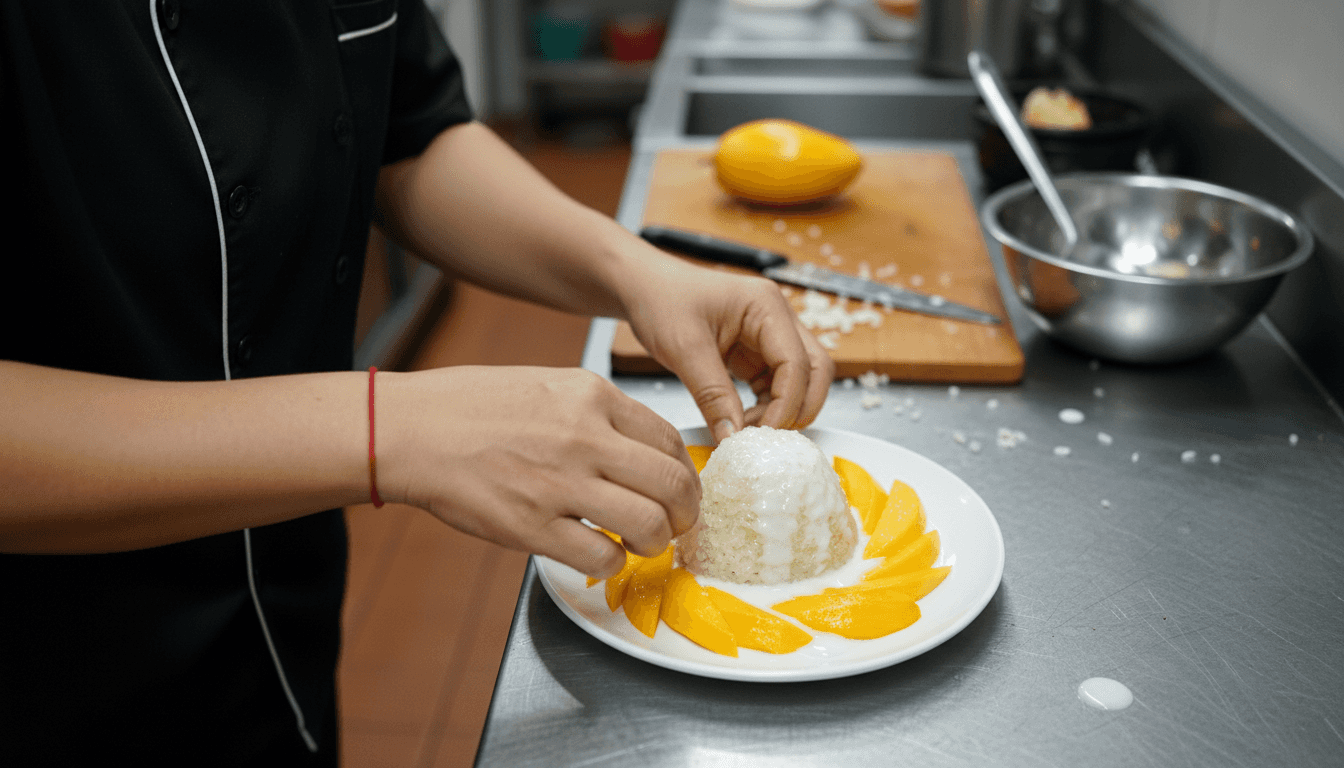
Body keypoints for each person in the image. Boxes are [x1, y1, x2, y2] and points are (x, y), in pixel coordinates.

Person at [0, 0, 833, 764]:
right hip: (56, 663)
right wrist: (384, 430)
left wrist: (639, 274)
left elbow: (409, 135)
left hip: (279, 596)